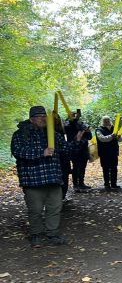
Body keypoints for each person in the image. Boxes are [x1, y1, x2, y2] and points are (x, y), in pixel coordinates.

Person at [11, 105, 84, 247]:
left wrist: (77, 140)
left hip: (53, 178)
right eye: (40, 116)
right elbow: (18, 151)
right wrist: (41, 152)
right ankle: (36, 235)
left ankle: (53, 234)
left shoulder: (53, 134)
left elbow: (67, 150)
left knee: (55, 208)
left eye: (44, 116)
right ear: (32, 119)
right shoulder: (20, 134)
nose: (43, 118)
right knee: (35, 210)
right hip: (33, 180)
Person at [64, 109, 93, 191]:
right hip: (74, 149)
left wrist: (87, 131)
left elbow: (89, 137)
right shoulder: (67, 125)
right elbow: (70, 127)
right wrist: (75, 121)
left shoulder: (82, 124)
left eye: (75, 115)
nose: (75, 116)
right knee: (76, 167)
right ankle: (75, 185)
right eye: (72, 115)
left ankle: (81, 183)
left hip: (84, 149)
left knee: (83, 167)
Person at [96, 116, 122, 190]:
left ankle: (114, 184)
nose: (107, 121)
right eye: (105, 120)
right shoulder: (99, 130)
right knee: (105, 168)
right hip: (104, 152)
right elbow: (102, 139)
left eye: (108, 120)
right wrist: (111, 136)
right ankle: (106, 184)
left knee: (114, 168)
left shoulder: (115, 128)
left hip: (113, 151)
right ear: (103, 121)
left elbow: (120, 140)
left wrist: (119, 136)